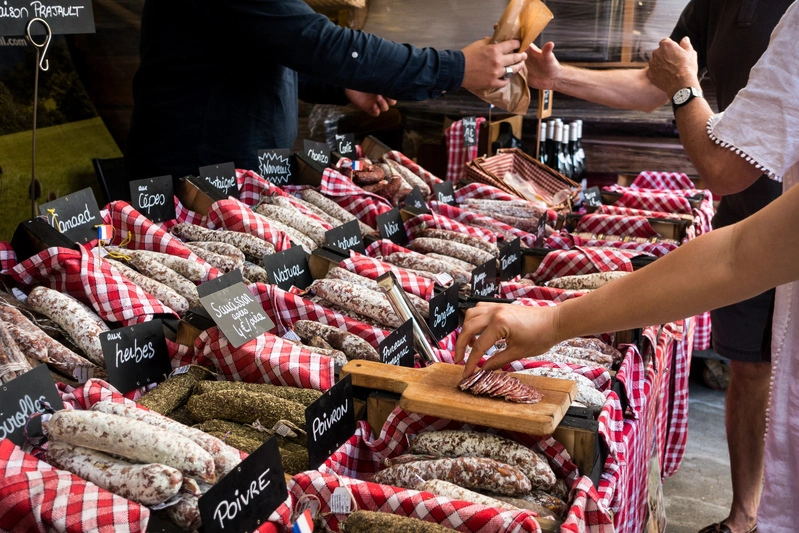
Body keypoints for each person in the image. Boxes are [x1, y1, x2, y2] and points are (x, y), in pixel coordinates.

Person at [457, 2, 799, 530]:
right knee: (751, 373)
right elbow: (654, 84)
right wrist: (558, 76)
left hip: (763, 233)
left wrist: (687, 89)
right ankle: (745, 516)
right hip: (757, 232)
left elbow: (721, 169)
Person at [124, 0, 526, 182]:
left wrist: (342, 84)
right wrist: (455, 68)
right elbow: (316, 42)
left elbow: (267, 55)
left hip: (240, 173)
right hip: (191, 175)